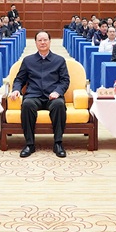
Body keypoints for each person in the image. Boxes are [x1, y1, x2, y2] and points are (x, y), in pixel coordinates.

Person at [9, 31, 69, 159]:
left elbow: (65, 81)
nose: (42, 42)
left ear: (50, 42)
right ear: (35, 43)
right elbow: (19, 79)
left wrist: (57, 92)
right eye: (40, 40)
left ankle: (58, 143)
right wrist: (16, 89)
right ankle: (29, 144)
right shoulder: (28, 60)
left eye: (45, 40)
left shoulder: (59, 60)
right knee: (27, 104)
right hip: (34, 95)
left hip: (53, 96)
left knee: (59, 105)